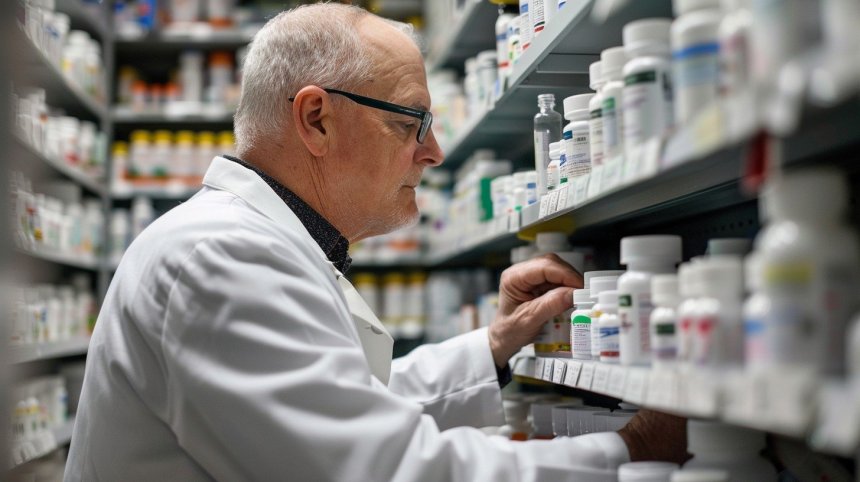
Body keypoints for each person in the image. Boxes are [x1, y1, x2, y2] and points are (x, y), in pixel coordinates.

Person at [65, 4, 685, 481]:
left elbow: (345, 400)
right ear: (316, 120)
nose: (434, 152)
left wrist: (495, 345)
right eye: (411, 122)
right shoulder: (220, 259)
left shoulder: (257, 243)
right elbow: (385, 468)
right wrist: (628, 450)